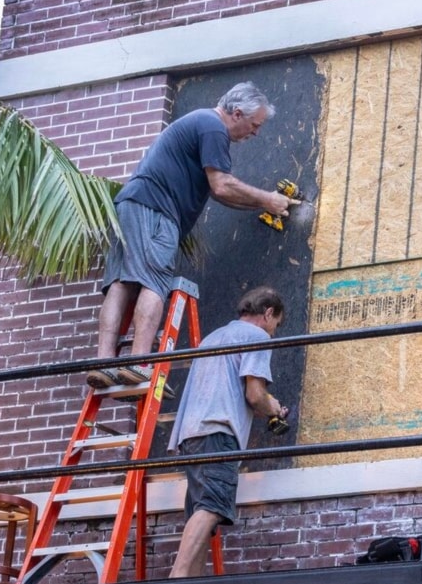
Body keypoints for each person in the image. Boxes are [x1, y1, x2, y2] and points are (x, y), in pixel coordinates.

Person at [86, 82, 298, 388]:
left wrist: (261, 202)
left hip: (131, 205)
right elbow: (222, 185)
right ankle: (138, 363)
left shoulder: (199, 122)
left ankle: (104, 363)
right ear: (237, 113)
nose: (254, 134)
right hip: (157, 210)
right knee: (153, 283)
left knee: (121, 283)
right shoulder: (213, 127)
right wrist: (268, 199)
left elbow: (222, 195)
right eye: (254, 126)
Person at [167, 286, 289, 578]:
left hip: (190, 433)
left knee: (203, 512)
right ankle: (176, 581)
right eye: (277, 324)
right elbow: (255, 395)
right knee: (211, 506)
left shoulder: (214, 336)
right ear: (268, 313)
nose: (274, 331)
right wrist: (274, 409)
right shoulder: (257, 337)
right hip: (219, 430)